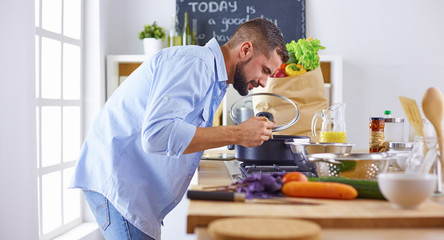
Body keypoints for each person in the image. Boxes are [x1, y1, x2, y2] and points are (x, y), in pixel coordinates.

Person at [70, 17, 289, 240]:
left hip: (133, 189)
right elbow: (157, 135)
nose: (264, 82)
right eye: (265, 70)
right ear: (245, 50)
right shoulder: (196, 65)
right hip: (119, 185)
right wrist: (238, 133)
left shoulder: (215, 79)